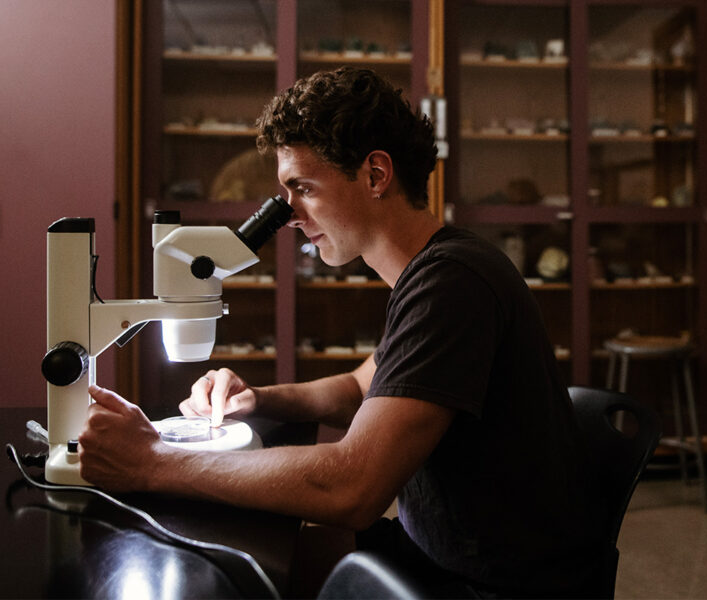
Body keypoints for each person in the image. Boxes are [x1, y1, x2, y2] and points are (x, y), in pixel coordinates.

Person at [79, 67, 600, 597]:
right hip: (442, 554)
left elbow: (352, 487)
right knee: (272, 561)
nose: (290, 217)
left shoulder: (452, 283)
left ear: (376, 175)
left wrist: (153, 463)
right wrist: (256, 398)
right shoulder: (436, 270)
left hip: (493, 585)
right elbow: (359, 389)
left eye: (302, 188)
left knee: (256, 570)